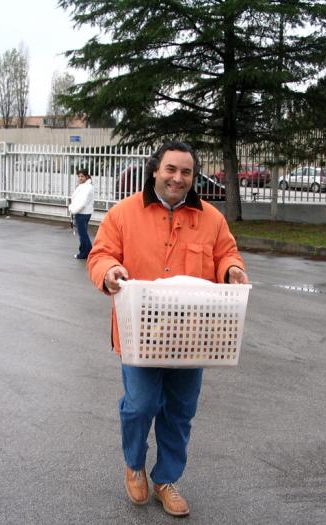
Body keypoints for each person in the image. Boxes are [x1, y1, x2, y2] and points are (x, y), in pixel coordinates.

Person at [87, 141, 248, 517]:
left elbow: (227, 253)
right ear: (155, 170)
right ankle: (134, 463)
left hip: (192, 336)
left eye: (186, 172)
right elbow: (101, 254)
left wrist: (232, 270)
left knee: (179, 412)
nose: (178, 178)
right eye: (171, 169)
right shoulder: (124, 214)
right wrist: (109, 272)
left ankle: (166, 480)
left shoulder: (211, 218)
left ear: (193, 177)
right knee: (140, 405)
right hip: (138, 333)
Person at [68, 168, 94, 259]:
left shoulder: (87, 187)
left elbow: (82, 203)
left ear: (86, 176)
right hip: (83, 212)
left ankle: (83, 254)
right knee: (84, 234)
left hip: (82, 213)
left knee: (83, 235)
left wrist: (74, 210)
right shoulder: (84, 186)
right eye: (78, 176)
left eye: (82, 176)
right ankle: (90, 252)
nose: (80, 178)